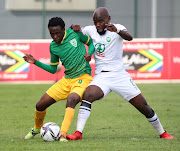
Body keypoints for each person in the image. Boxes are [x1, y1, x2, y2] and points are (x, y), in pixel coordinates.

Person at [66, 7, 174, 140]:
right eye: (95, 22)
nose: (98, 25)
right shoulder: (90, 30)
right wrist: (73, 26)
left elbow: (129, 37)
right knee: (88, 94)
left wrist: (117, 30)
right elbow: (73, 32)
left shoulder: (117, 28)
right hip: (102, 76)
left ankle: (162, 132)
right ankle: (78, 133)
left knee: (143, 106)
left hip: (119, 75)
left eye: (101, 21)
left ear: (108, 19)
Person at [23, 17, 94, 142]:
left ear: (63, 29)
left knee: (72, 100)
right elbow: (52, 69)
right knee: (40, 105)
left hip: (83, 77)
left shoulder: (75, 34)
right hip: (67, 80)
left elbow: (91, 43)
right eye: (52, 34)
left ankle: (62, 134)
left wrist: (90, 53)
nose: (55, 36)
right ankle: (37, 128)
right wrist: (35, 62)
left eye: (57, 33)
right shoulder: (53, 47)